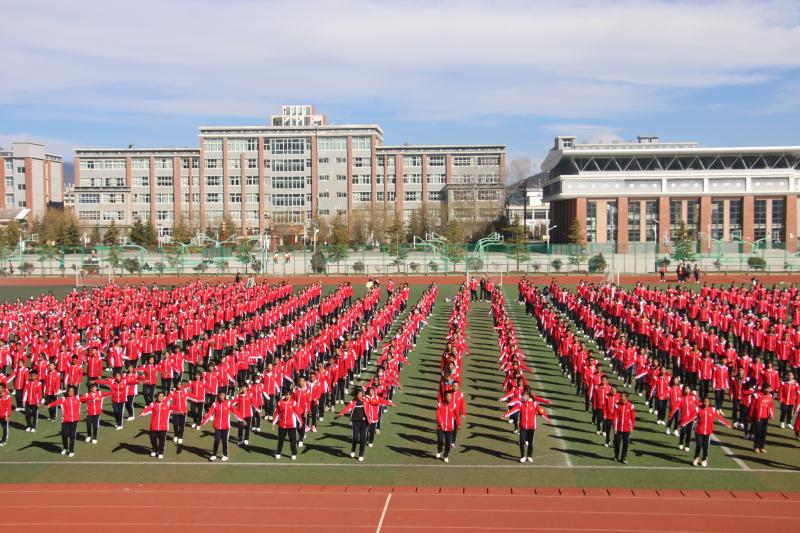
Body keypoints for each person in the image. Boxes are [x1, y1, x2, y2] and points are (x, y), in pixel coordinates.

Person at [503, 387, 551, 462]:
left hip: (531, 427)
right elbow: (513, 410)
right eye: (522, 395)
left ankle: (529, 456)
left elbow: (541, 411)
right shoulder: (521, 404)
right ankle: (522, 456)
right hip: (522, 427)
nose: (522, 396)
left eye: (524, 395)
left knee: (530, 442)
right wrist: (505, 415)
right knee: (522, 442)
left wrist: (547, 418)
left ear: (528, 396)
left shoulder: (534, 404)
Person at [692, 397, 731, 467]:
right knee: (699, 445)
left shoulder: (712, 410)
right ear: (702, 402)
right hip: (699, 431)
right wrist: (682, 424)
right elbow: (691, 418)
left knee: (706, 447)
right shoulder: (698, 409)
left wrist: (727, 423)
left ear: (709, 403)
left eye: (707, 402)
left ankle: (704, 459)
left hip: (708, 432)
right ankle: (696, 458)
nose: (706, 403)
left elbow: (719, 417)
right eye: (704, 401)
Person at [47, 386, 82, 457]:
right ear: (67, 392)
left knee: (72, 436)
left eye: (72, 391)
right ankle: (65, 447)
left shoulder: (77, 398)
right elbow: (56, 402)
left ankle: (71, 450)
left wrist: (94, 398)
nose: (71, 392)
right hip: (65, 420)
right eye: (69, 391)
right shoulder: (63, 399)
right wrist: (50, 405)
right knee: (64, 435)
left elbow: (87, 398)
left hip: (74, 420)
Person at [200, 391, 234, 462]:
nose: (221, 396)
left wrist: (242, 419)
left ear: (225, 396)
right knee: (217, 440)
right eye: (220, 395)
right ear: (218, 396)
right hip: (217, 426)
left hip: (226, 426)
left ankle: (225, 455)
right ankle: (214, 455)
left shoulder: (228, 403)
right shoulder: (215, 404)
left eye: (223, 395)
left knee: (224, 441)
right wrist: (203, 422)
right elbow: (209, 413)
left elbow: (235, 412)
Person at [338, 388, 369, 461]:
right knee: (355, 438)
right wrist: (341, 413)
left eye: (361, 394)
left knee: (363, 439)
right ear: (356, 395)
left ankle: (361, 454)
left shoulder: (365, 400)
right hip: (355, 422)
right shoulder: (353, 402)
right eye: (359, 394)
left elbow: (374, 401)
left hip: (364, 422)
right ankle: (353, 450)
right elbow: (347, 408)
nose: (361, 395)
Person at [140, 391, 173, 459]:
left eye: (162, 396)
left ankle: (160, 452)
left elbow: (175, 407)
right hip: (153, 426)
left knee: (162, 440)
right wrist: (143, 413)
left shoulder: (168, 404)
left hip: (163, 426)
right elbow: (147, 409)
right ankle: (155, 449)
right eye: (159, 396)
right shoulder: (152, 404)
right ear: (157, 397)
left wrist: (181, 410)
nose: (161, 398)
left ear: (164, 397)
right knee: (152, 439)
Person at [273, 389, 303, 460]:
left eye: (289, 394)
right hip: (282, 425)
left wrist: (300, 422)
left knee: (292, 440)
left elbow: (297, 413)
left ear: (291, 395)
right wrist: (273, 423)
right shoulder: (280, 403)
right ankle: (278, 452)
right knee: (281, 440)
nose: (288, 395)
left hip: (291, 425)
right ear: (284, 394)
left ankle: (294, 453)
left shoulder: (294, 403)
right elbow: (277, 413)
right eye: (287, 394)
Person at [750, 385, 774, 454]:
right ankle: (756, 447)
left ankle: (761, 447)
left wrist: (771, 414)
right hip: (758, 417)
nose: (770, 390)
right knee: (758, 432)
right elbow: (752, 406)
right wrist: (751, 415)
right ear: (764, 389)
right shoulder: (757, 395)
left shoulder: (770, 396)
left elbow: (771, 405)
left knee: (764, 432)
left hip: (765, 417)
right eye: (768, 388)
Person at [613, 392, 636, 464]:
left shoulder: (631, 406)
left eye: (622, 396)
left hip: (627, 429)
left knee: (626, 443)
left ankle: (623, 458)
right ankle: (616, 455)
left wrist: (632, 427)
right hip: (618, 428)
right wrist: (615, 427)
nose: (620, 398)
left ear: (626, 398)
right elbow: (615, 417)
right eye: (620, 396)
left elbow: (632, 418)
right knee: (617, 442)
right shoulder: (617, 405)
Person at [436, 390, 458, 463]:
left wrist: (459, 424)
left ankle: (446, 455)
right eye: (448, 396)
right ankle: (439, 450)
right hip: (440, 427)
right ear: (444, 397)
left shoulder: (454, 405)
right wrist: (441, 423)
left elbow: (457, 415)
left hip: (449, 428)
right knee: (440, 440)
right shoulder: (440, 404)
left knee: (448, 443)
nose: (449, 397)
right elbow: (438, 415)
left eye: (450, 396)